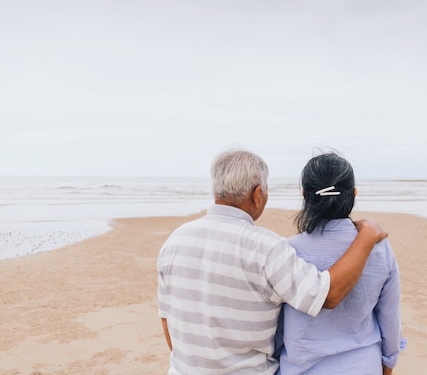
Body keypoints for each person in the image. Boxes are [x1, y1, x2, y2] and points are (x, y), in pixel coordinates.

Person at [157, 148, 388, 375]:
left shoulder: (174, 241)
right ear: (257, 194)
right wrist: (367, 236)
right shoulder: (266, 248)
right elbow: (327, 295)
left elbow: (167, 322)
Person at [275, 152, 405, 375]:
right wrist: (388, 363)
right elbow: (390, 318)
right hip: (363, 367)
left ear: (304, 195)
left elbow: (275, 328)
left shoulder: (287, 252)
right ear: (353, 194)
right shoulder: (379, 248)